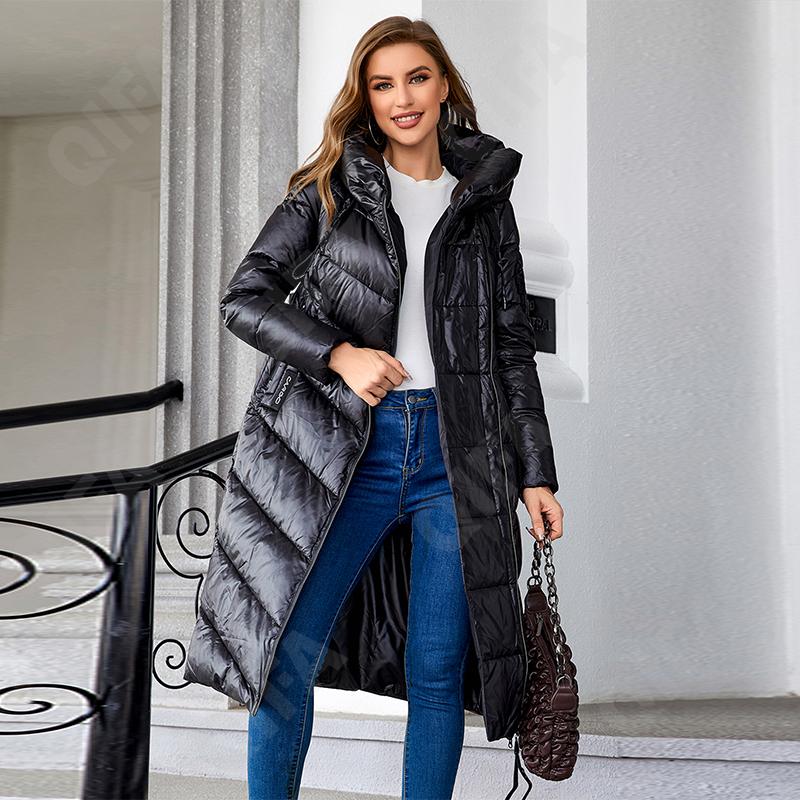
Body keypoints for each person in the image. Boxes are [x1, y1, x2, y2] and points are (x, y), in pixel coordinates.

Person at [185, 15, 564, 800]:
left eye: (417, 78)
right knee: (283, 656)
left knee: (437, 673)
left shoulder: (484, 202)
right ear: (366, 97)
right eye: (383, 84)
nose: (402, 98)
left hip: (457, 459)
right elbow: (244, 298)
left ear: (444, 84)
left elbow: (511, 350)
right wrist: (339, 353)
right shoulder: (329, 190)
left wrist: (536, 474)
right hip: (345, 452)